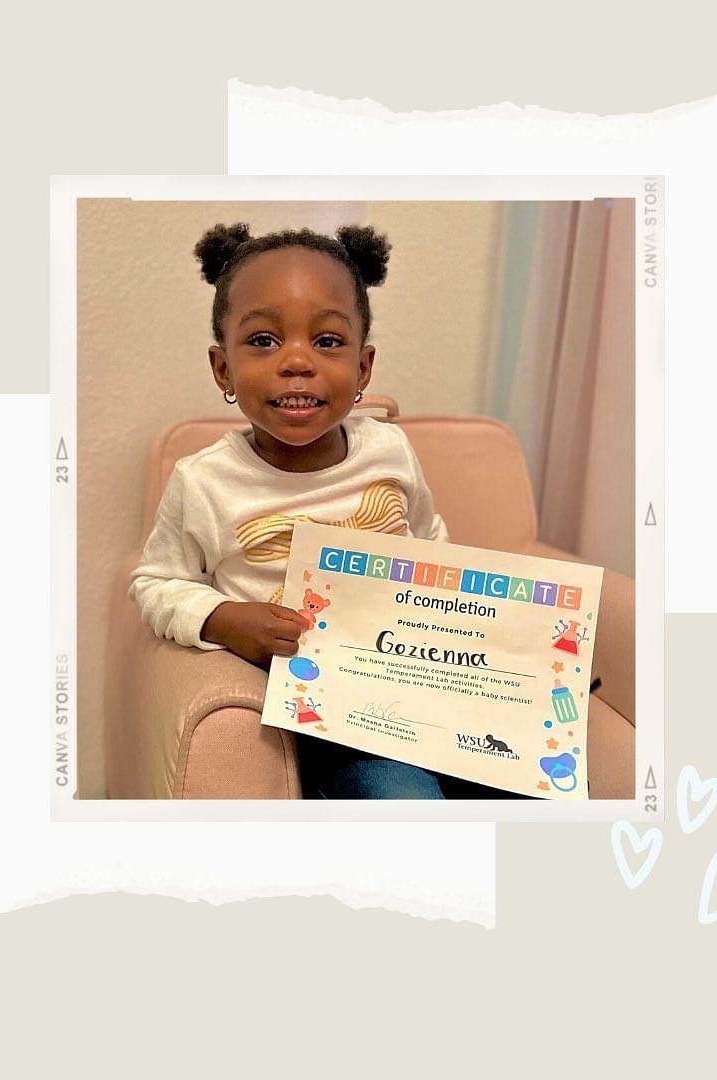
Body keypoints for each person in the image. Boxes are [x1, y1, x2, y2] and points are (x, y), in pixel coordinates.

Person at [129, 222, 523, 800]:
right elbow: (156, 582)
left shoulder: (389, 452)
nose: (296, 361)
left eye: (328, 341)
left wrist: (498, 636)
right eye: (263, 340)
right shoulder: (205, 481)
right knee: (403, 801)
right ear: (223, 369)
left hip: (428, 679)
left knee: (538, 782)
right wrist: (225, 619)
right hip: (332, 712)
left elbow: (431, 542)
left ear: (362, 370)